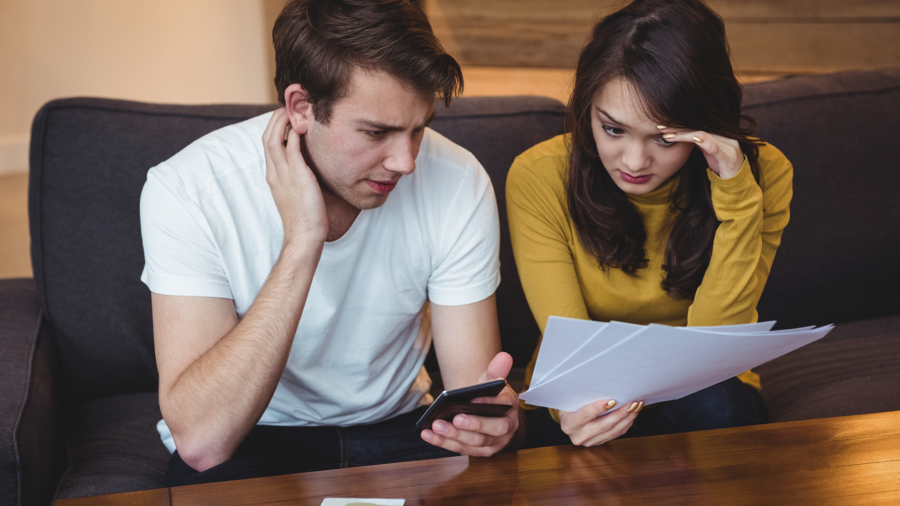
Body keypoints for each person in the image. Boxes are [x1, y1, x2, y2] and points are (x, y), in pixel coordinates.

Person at [140, 0, 522, 486]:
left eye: (418, 129)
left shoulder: (458, 179)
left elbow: (471, 384)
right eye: (377, 132)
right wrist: (303, 240)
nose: (405, 162)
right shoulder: (189, 189)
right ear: (301, 108)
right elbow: (202, 440)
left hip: (402, 430)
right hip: (256, 435)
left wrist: (487, 424)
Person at [506, 0, 792, 448]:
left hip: (704, 391)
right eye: (613, 130)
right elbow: (572, 347)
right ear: (587, 110)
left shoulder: (762, 175)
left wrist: (735, 193)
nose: (635, 162)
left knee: (716, 403)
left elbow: (715, 350)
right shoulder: (539, 175)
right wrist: (577, 408)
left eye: (664, 138)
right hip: (582, 392)